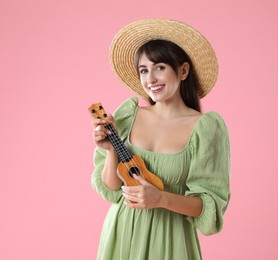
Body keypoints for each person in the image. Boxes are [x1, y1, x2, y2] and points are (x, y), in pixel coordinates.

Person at [91, 18, 231, 260]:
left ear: (183, 70)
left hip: (170, 240)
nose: (151, 79)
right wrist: (112, 149)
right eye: (144, 70)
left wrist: (162, 198)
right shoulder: (129, 114)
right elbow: (113, 188)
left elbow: (209, 207)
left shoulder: (205, 128)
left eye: (160, 68)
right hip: (122, 233)